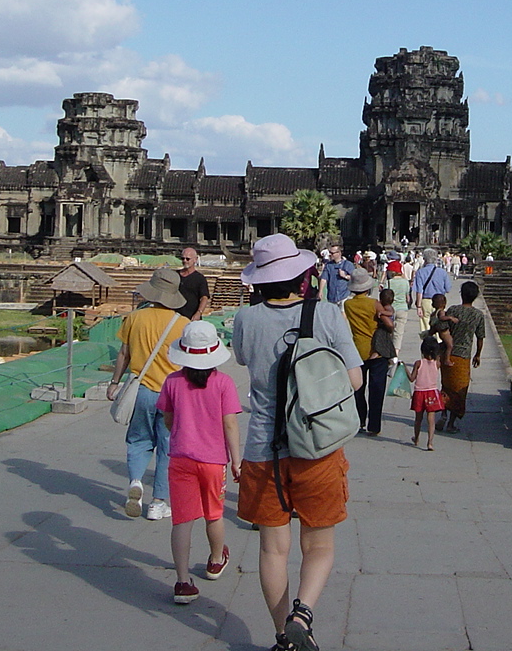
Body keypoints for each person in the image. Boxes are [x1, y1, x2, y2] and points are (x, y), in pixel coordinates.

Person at [232, 234, 363, 651]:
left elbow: (242, 359)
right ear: (301, 276)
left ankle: (281, 638)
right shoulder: (326, 313)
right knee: (319, 544)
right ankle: (302, 614)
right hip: (317, 446)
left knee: (273, 550)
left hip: (262, 449)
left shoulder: (245, 319)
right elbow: (355, 379)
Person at [157, 321, 242, 605]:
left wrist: (182, 431)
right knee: (214, 513)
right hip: (213, 460)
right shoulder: (223, 383)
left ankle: (182, 581)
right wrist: (236, 460)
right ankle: (216, 560)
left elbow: (168, 419)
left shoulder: (172, 381)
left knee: (182, 520)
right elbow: (230, 424)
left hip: (181, 457)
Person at [108, 268, 188, 520]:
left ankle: (136, 481)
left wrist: (114, 382)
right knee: (167, 448)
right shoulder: (183, 324)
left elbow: (124, 353)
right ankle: (158, 502)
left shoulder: (134, 318)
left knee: (138, 441)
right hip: (171, 394)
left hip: (141, 390)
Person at [342, 271, 387, 436]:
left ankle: (359, 420)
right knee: (377, 390)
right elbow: (388, 323)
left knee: (358, 388)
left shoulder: (348, 304)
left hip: (357, 350)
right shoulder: (374, 303)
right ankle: (374, 425)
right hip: (377, 350)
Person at [438, 282, 486, 434]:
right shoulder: (478, 315)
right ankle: (451, 423)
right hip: (463, 356)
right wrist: (478, 354)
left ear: (461, 294)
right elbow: (480, 337)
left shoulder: (453, 310)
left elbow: (443, 327)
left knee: (446, 386)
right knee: (459, 391)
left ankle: (443, 413)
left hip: (447, 354)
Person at [408, 336, 446, 451]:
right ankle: (430, 442)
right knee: (431, 419)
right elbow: (438, 357)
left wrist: (404, 367)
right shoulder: (437, 364)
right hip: (432, 393)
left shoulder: (418, 363)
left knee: (418, 419)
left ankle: (416, 438)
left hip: (419, 393)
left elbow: (411, 378)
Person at [412, 248, 450, 334]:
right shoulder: (442, 272)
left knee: (425, 323)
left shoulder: (420, 272)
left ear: (424, 259)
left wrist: (418, 306)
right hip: (440, 301)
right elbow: (448, 289)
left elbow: (419, 291)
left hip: (426, 301)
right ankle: (439, 340)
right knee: (439, 322)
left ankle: (428, 339)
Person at [176, 248, 210, 321]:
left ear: (195, 259)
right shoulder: (175, 275)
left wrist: (199, 312)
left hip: (191, 317)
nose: (185, 261)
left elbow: (204, 298)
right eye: (183, 258)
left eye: (188, 259)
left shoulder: (200, 278)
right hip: (175, 316)